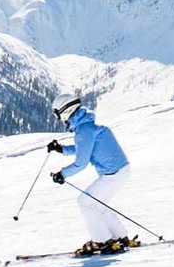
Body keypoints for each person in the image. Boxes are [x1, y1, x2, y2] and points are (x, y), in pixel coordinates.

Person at [47, 95, 136, 256]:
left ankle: (101, 241)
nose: (58, 118)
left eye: (57, 114)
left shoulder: (84, 130)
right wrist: (62, 149)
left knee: (85, 202)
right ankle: (119, 237)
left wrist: (62, 174)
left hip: (113, 174)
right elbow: (85, 148)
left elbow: (81, 162)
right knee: (96, 203)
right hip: (119, 171)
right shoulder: (87, 127)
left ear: (66, 112)